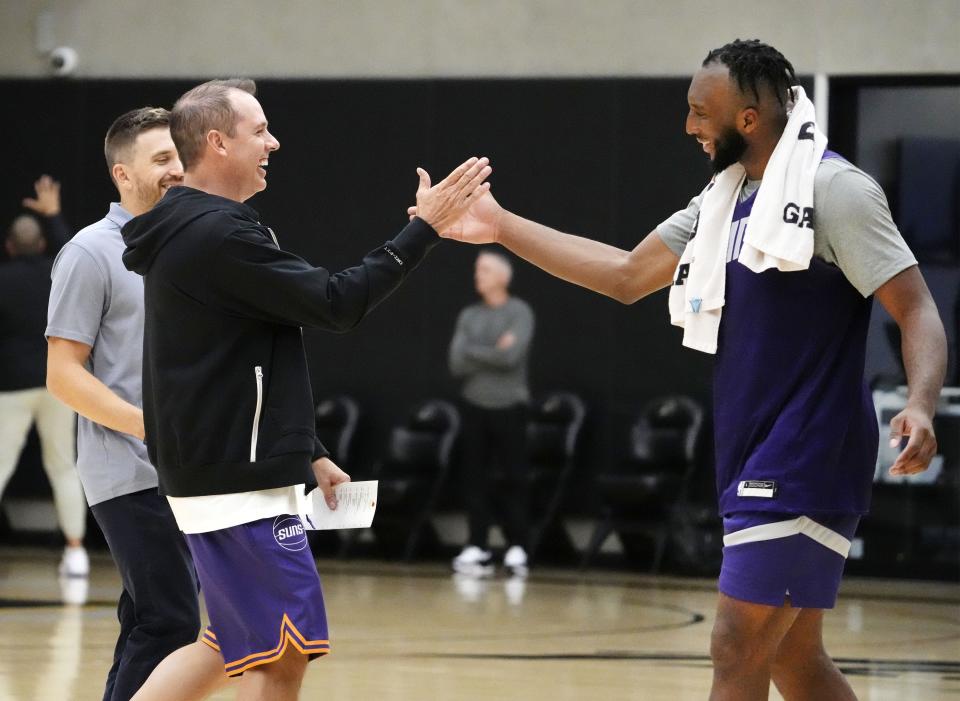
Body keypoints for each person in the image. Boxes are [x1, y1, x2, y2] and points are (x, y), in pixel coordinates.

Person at [419, 39, 947, 701]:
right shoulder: (721, 201)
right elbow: (625, 274)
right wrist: (499, 225)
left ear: (749, 119)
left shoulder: (834, 189)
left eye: (702, 112)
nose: (689, 125)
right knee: (793, 656)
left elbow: (916, 306)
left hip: (806, 450)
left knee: (733, 644)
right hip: (753, 447)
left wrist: (921, 402)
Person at [120, 79, 491, 701]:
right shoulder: (218, 236)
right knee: (282, 651)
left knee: (229, 642)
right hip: (234, 481)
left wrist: (306, 448)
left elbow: (240, 355)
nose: (274, 141)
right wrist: (423, 229)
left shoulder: (199, 229)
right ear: (216, 142)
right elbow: (335, 302)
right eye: (259, 130)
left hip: (221, 472)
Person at [46, 107, 202, 701]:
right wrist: (150, 427)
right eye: (162, 159)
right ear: (122, 173)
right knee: (171, 620)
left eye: (180, 158)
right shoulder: (90, 252)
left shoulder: (187, 244)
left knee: (148, 619)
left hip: (189, 470)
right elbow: (63, 375)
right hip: (127, 470)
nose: (176, 170)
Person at [0, 175, 88, 577]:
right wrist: (54, 216)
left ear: (9, 247)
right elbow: (73, 250)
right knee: (64, 466)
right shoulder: (58, 272)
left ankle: (74, 551)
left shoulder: (4, 280)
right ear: (41, 245)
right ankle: (75, 553)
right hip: (58, 384)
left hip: (11, 387)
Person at [449, 250, 534, 577]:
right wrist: (492, 351)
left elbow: (511, 357)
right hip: (474, 405)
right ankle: (477, 545)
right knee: (475, 478)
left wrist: (475, 351)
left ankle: (518, 546)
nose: (477, 275)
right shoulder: (469, 315)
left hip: (510, 405)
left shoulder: (519, 312)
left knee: (514, 476)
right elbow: (457, 362)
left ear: (502, 276)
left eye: (483, 270)